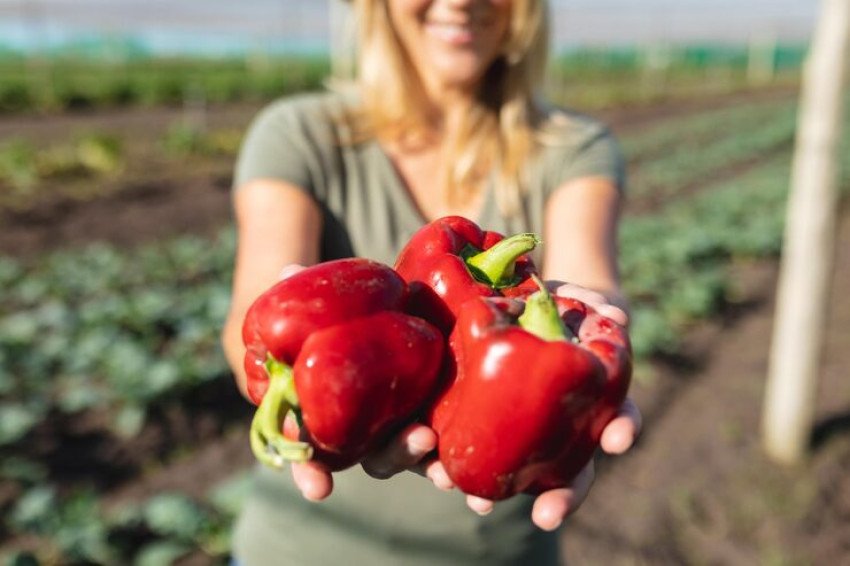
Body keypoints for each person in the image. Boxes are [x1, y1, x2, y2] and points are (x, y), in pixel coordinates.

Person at [220, 0, 642, 564]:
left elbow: (590, 287)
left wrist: (587, 341)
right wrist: (301, 351)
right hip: (302, 549)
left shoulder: (574, 150)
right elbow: (249, 317)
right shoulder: (298, 133)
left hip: (497, 549)